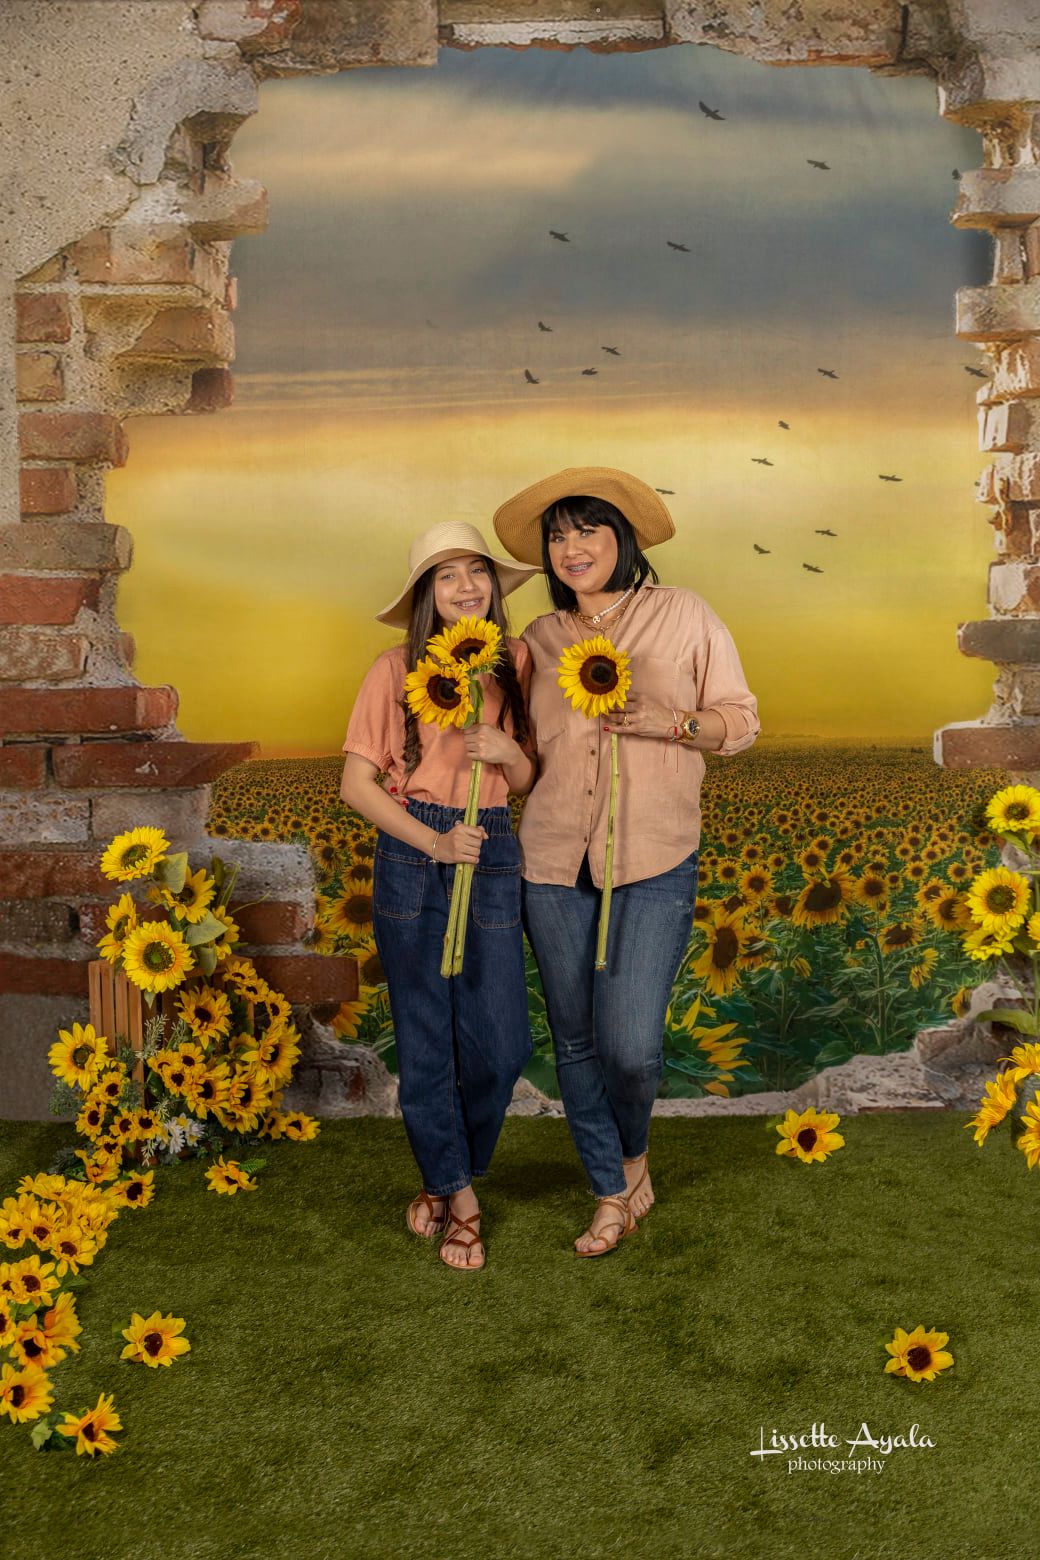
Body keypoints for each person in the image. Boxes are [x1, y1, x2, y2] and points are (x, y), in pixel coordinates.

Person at [492, 467, 760, 1257]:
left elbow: (742, 721)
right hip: (551, 861)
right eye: (558, 536)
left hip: (655, 855)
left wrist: (671, 722)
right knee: (574, 1040)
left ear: (623, 540)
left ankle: (633, 1151)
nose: (571, 548)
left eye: (588, 530)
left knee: (631, 1047)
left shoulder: (684, 614)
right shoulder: (538, 640)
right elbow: (531, 763)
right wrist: (496, 753)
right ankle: (610, 1191)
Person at [340, 522, 539, 1271]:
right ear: (427, 595)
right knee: (427, 1037)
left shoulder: (518, 664)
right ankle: (461, 1199)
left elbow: (528, 777)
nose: (466, 586)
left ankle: (442, 1172)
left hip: (492, 844)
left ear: (493, 585)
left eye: (476, 571)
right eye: (446, 575)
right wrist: (433, 842)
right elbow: (356, 785)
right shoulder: (395, 669)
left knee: (502, 1043)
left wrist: (510, 754)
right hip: (416, 850)